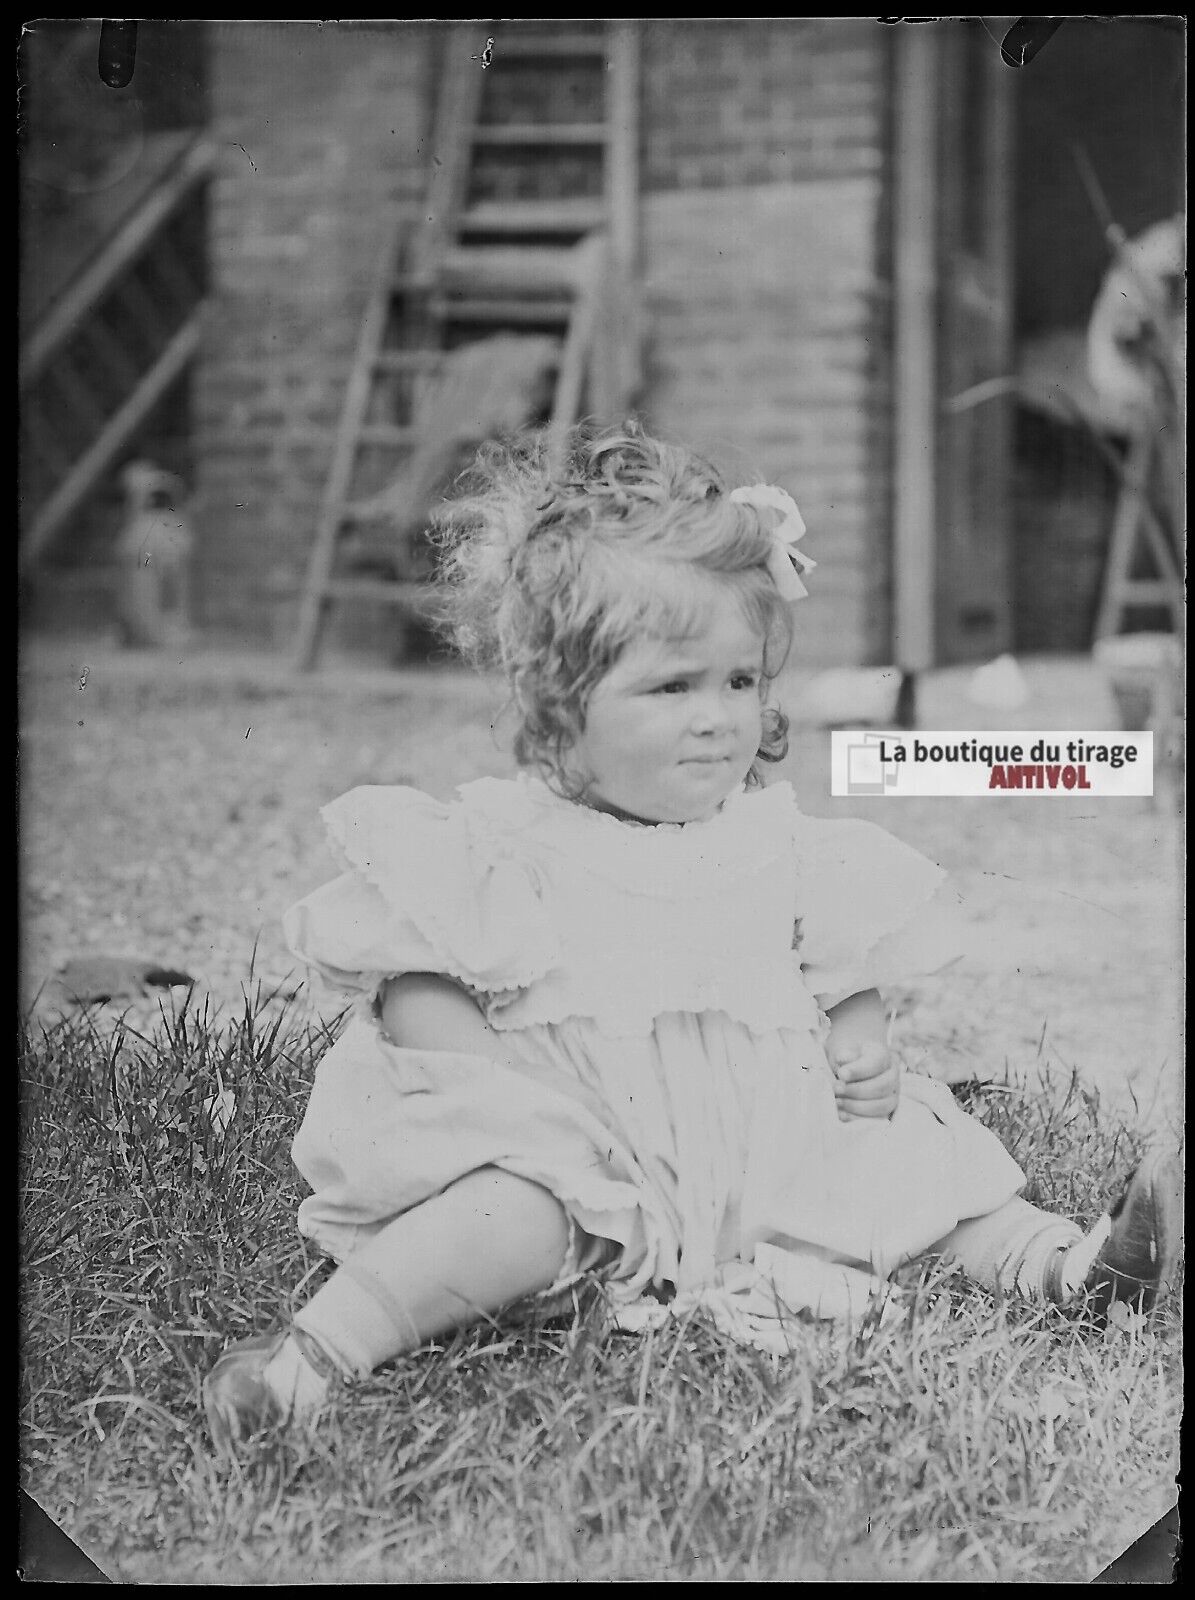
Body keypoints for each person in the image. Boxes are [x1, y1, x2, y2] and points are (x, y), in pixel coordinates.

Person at [203, 423, 1182, 1450]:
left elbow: (831, 946)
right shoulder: (506, 842)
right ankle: (309, 1360)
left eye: (738, 681)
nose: (717, 717)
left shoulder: (768, 837)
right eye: (671, 688)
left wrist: (856, 1033)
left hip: (758, 1149)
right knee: (511, 1213)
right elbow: (414, 972)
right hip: (580, 1159)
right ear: (557, 707)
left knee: (909, 1164)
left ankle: (1067, 1268)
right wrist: (493, 1087)